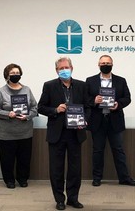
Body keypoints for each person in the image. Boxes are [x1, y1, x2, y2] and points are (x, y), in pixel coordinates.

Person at [38, 57, 90, 210]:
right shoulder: (49, 86)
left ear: (72, 68)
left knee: (75, 168)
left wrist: (85, 121)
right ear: (56, 70)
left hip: (76, 133)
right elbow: (41, 107)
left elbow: (88, 107)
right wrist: (55, 110)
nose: (64, 70)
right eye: (61, 68)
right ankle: (59, 199)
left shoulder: (82, 86)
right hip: (57, 133)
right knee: (56, 168)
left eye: (66, 67)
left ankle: (73, 198)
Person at [86, 54, 135, 187]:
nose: (105, 65)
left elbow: (127, 98)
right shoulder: (90, 80)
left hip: (114, 120)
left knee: (118, 150)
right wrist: (94, 100)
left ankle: (124, 178)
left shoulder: (121, 80)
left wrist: (118, 104)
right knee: (98, 150)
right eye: (103, 63)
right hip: (98, 121)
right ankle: (97, 178)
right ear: (98, 65)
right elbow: (84, 99)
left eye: (108, 63)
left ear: (112, 64)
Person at [0, 63, 38, 189]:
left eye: (17, 73)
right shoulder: (1, 91)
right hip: (6, 133)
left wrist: (27, 116)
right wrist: (8, 114)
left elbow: (35, 108)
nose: (15, 75)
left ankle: (23, 179)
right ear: (7, 75)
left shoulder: (27, 90)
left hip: (25, 131)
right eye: (12, 73)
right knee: (7, 159)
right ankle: (9, 180)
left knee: (24, 158)